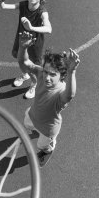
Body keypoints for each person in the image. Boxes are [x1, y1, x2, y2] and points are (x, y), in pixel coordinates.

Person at [17, 31, 80, 167]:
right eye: (46, 72)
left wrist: (72, 71)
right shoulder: (41, 74)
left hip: (48, 129)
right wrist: (22, 47)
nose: (46, 77)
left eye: (52, 74)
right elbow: (24, 63)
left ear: (62, 76)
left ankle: (47, 150)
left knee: (42, 146)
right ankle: (33, 133)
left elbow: (70, 95)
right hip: (33, 115)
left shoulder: (61, 92)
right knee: (27, 124)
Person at [0, 0, 52, 99]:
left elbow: (49, 28)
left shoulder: (42, 12)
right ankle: (25, 75)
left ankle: (34, 84)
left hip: (34, 44)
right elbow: (4, 6)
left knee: (32, 66)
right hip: (21, 40)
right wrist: (1, 1)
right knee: (19, 59)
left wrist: (31, 27)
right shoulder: (23, 5)